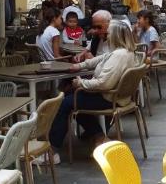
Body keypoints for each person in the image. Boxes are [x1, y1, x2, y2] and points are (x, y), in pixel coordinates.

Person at [48, 20, 139, 162]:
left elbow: (103, 83)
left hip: (108, 98)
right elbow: (98, 59)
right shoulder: (125, 52)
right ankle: (99, 137)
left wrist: (80, 83)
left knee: (65, 103)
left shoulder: (118, 55)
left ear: (115, 36)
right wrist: (80, 66)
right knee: (71, 101)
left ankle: (51, 151)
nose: (107, 36)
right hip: (118, 97)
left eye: (109, 34)